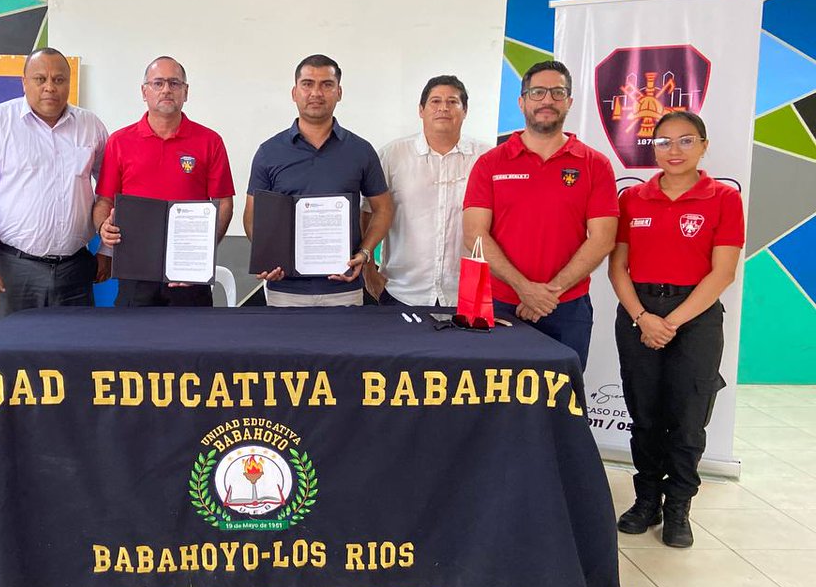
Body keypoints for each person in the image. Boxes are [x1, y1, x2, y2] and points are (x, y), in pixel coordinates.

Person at [608, 111, 743, 548]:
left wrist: (671, 322)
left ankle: (678, 506)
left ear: (704, 145)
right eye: (663, 142)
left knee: (688, 420)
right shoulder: (632, 199)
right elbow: (617, 268)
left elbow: (722, 273)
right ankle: (645, 500)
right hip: (638, 314)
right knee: (644, 415)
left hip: (696, 318)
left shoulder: (723, 198)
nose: (674, 151)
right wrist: (643, 318)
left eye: (686, 141)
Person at [463, 61, 617, 367]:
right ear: (522, 101)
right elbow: (474, 234)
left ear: (569, 102)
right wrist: (524, 288)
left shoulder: (594, 164)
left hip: (567, 308)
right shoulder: (490, 163)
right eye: (537, 92)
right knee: (495, 402)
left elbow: (602, 239)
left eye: (557, 92)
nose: (547, 100)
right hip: (499, 305)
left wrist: (548, 294)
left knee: (561, 403)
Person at [0, 48, 109, 319]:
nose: (50, 87)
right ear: (24, 82)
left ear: (69, 82)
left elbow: (110, 191)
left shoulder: (91, 126)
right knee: (11, 356)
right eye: (40, 79)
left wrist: (107, 250)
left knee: (73, 356)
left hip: (75, 269)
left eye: (59, 79)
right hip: (14, 270)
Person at [245, 54, 393, 307]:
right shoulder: (269, 152)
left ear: (339, 92)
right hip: (285, 289)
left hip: (344, 287)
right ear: (294, 92)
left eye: (326, 84)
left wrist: (365, 252)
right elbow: (252, 215)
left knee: (345, 348)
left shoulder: (360, 150)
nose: (316, 92)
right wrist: (268, 257)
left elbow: (383, 208)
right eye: (307, 84)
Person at [94, 56, 235, 306]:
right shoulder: (119, 141)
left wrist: (202, 252)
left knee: (191, 343)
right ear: (144, 91)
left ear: (186, 91)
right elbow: (104, 200)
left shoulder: (210, 141)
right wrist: (102, 228)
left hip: (190, 275)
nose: (166, 90)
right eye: (158, 83)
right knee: (133, 342)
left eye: (174, 83)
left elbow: (223, 203)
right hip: (135, 271)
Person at [364, 75, 487, 306]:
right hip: (402, 290)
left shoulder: (485, 158)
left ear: (465, 110)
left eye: (453, 102)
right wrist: (369, 269)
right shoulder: (392, 155)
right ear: (421, 110)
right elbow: (368, 212)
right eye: (435, 101)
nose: (444, 108)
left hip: (466, 294)